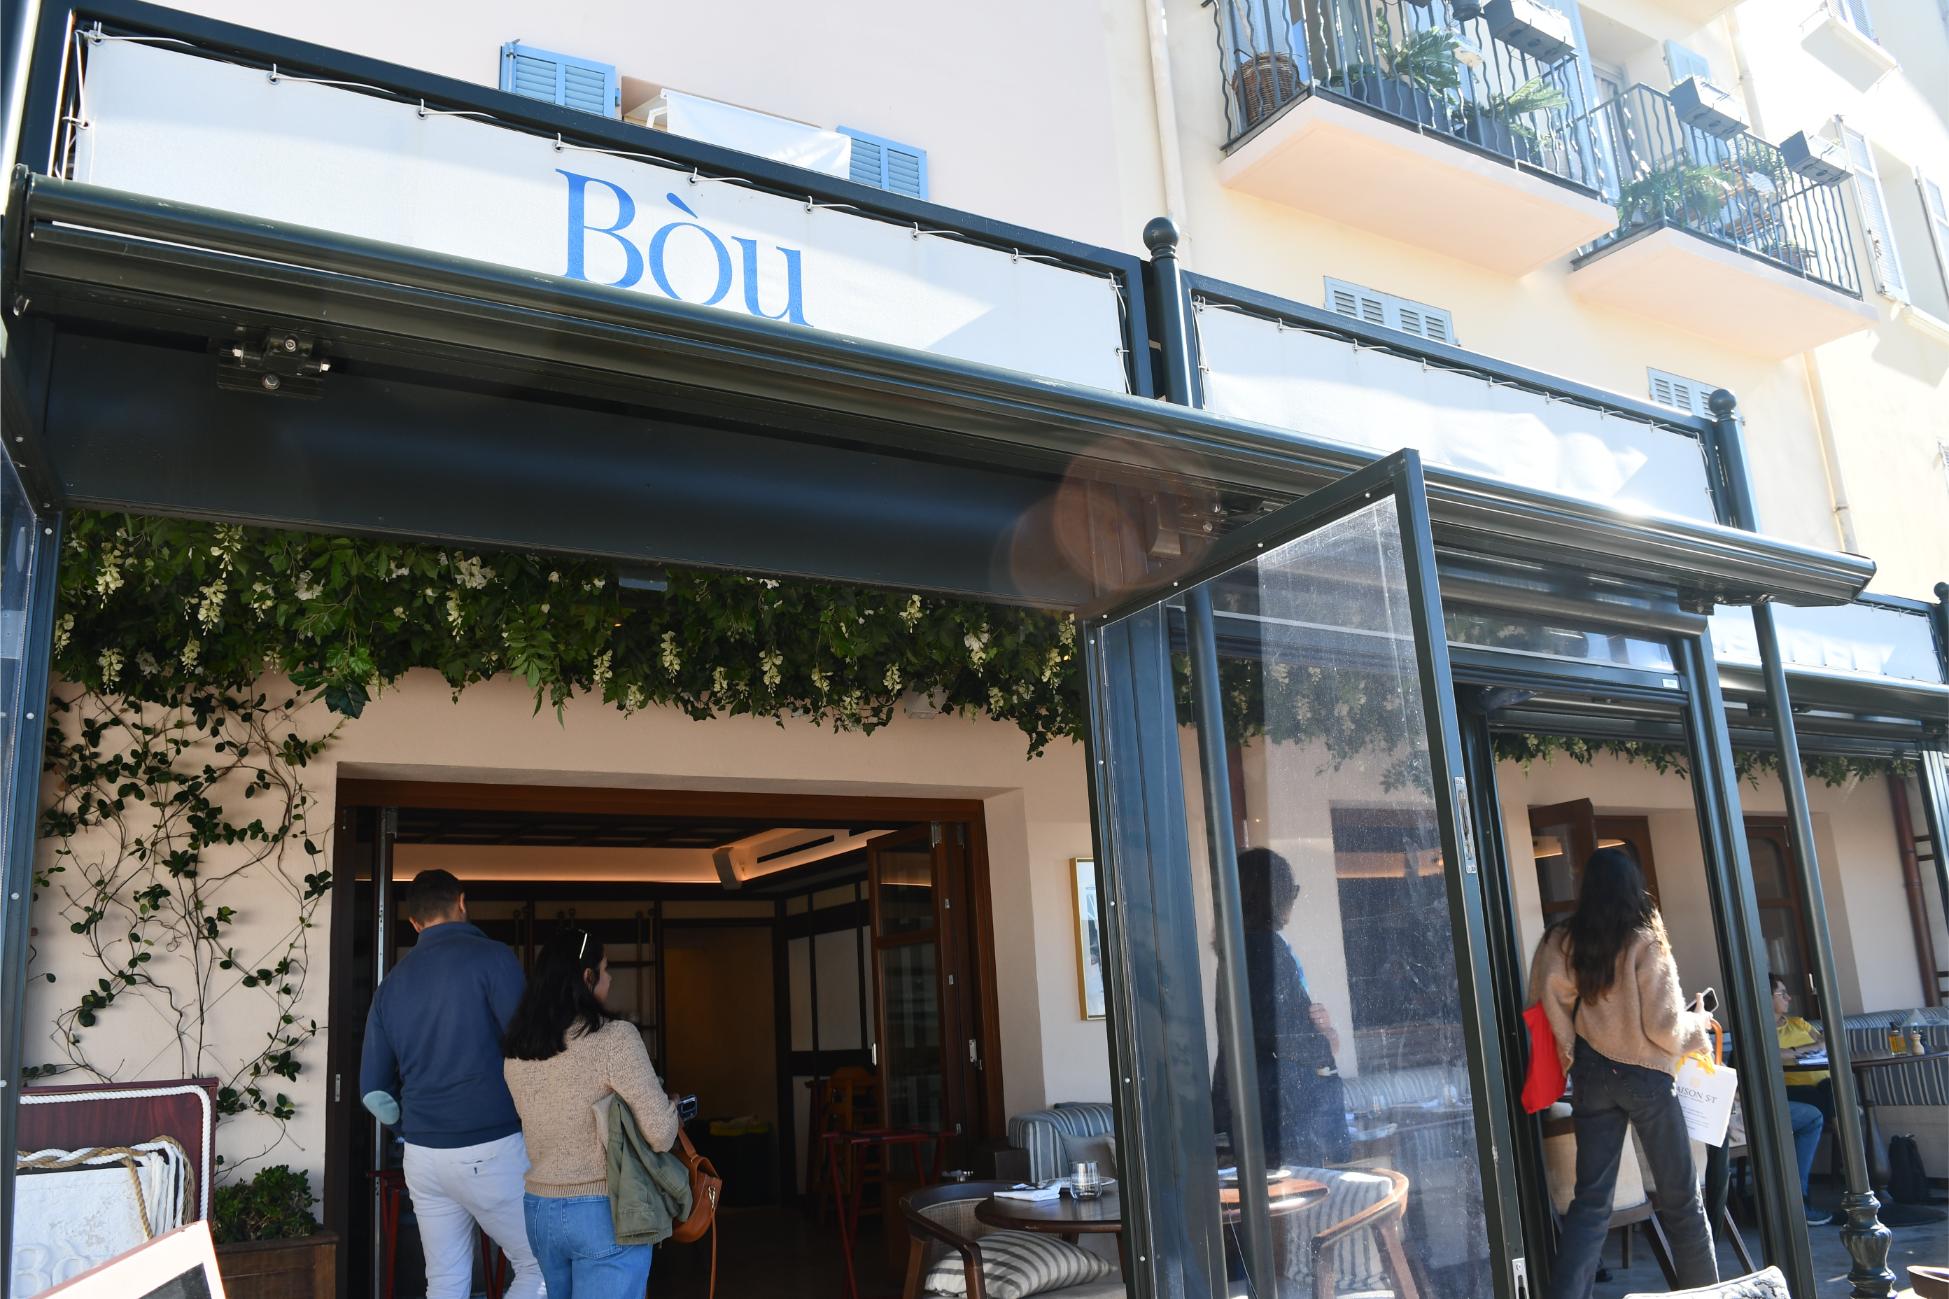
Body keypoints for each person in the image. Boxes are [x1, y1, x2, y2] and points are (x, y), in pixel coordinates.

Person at [1528, 848, 1717, 1299]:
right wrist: (1700, 1024)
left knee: (1591, 1204)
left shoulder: (1561, 940)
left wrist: (1572, 1050)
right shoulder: (1645, 941)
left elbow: (1544, 1000)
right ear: (1634, 887)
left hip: (1592, 1076)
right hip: (1647, 1076)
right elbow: (1664, 1027)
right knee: (1682, 1201)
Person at [360, 870, 541, 1299]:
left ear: (414, 923)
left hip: (423, 1157)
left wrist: (411, 1127)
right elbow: (532, 1050)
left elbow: (374, 1093)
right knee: (542, 1268)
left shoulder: (390, 986)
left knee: (445, 1281)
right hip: (492, 1144)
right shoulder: (494, 958)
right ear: (462, 901)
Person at [504, 926, 681, 1298]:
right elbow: (661, 1135)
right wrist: (673, 1108)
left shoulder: (518, 1049)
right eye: (605, 969)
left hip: (539, 1208)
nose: (610, 978)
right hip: (604, 1207)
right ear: (587, 977)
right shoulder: (615, 1038)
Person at [1210, 846, 1348, 1169]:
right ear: (1273, 895)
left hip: (1252, 1103)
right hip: (1279, 1111)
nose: (1293, 900)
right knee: (1298, 1195)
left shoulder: (1238, 948)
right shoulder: (1263, 948)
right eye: (1291, 890)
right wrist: (1326, 1040)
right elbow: (1281, 1034)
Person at [1772, 973, 1837, 1225]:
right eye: (1782, 993)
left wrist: (1796, 1052)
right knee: (1831, 1103)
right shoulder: (1762, 1029)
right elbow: (1773, 1053)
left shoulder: (1798, 1023)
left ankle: (1855, 1174)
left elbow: (1825, 1043)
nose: (1789, 998)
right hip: (1792, 1089)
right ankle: (1857, 1173)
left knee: (1833, 1090)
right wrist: (1808, 1049)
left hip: (1822, 1085)